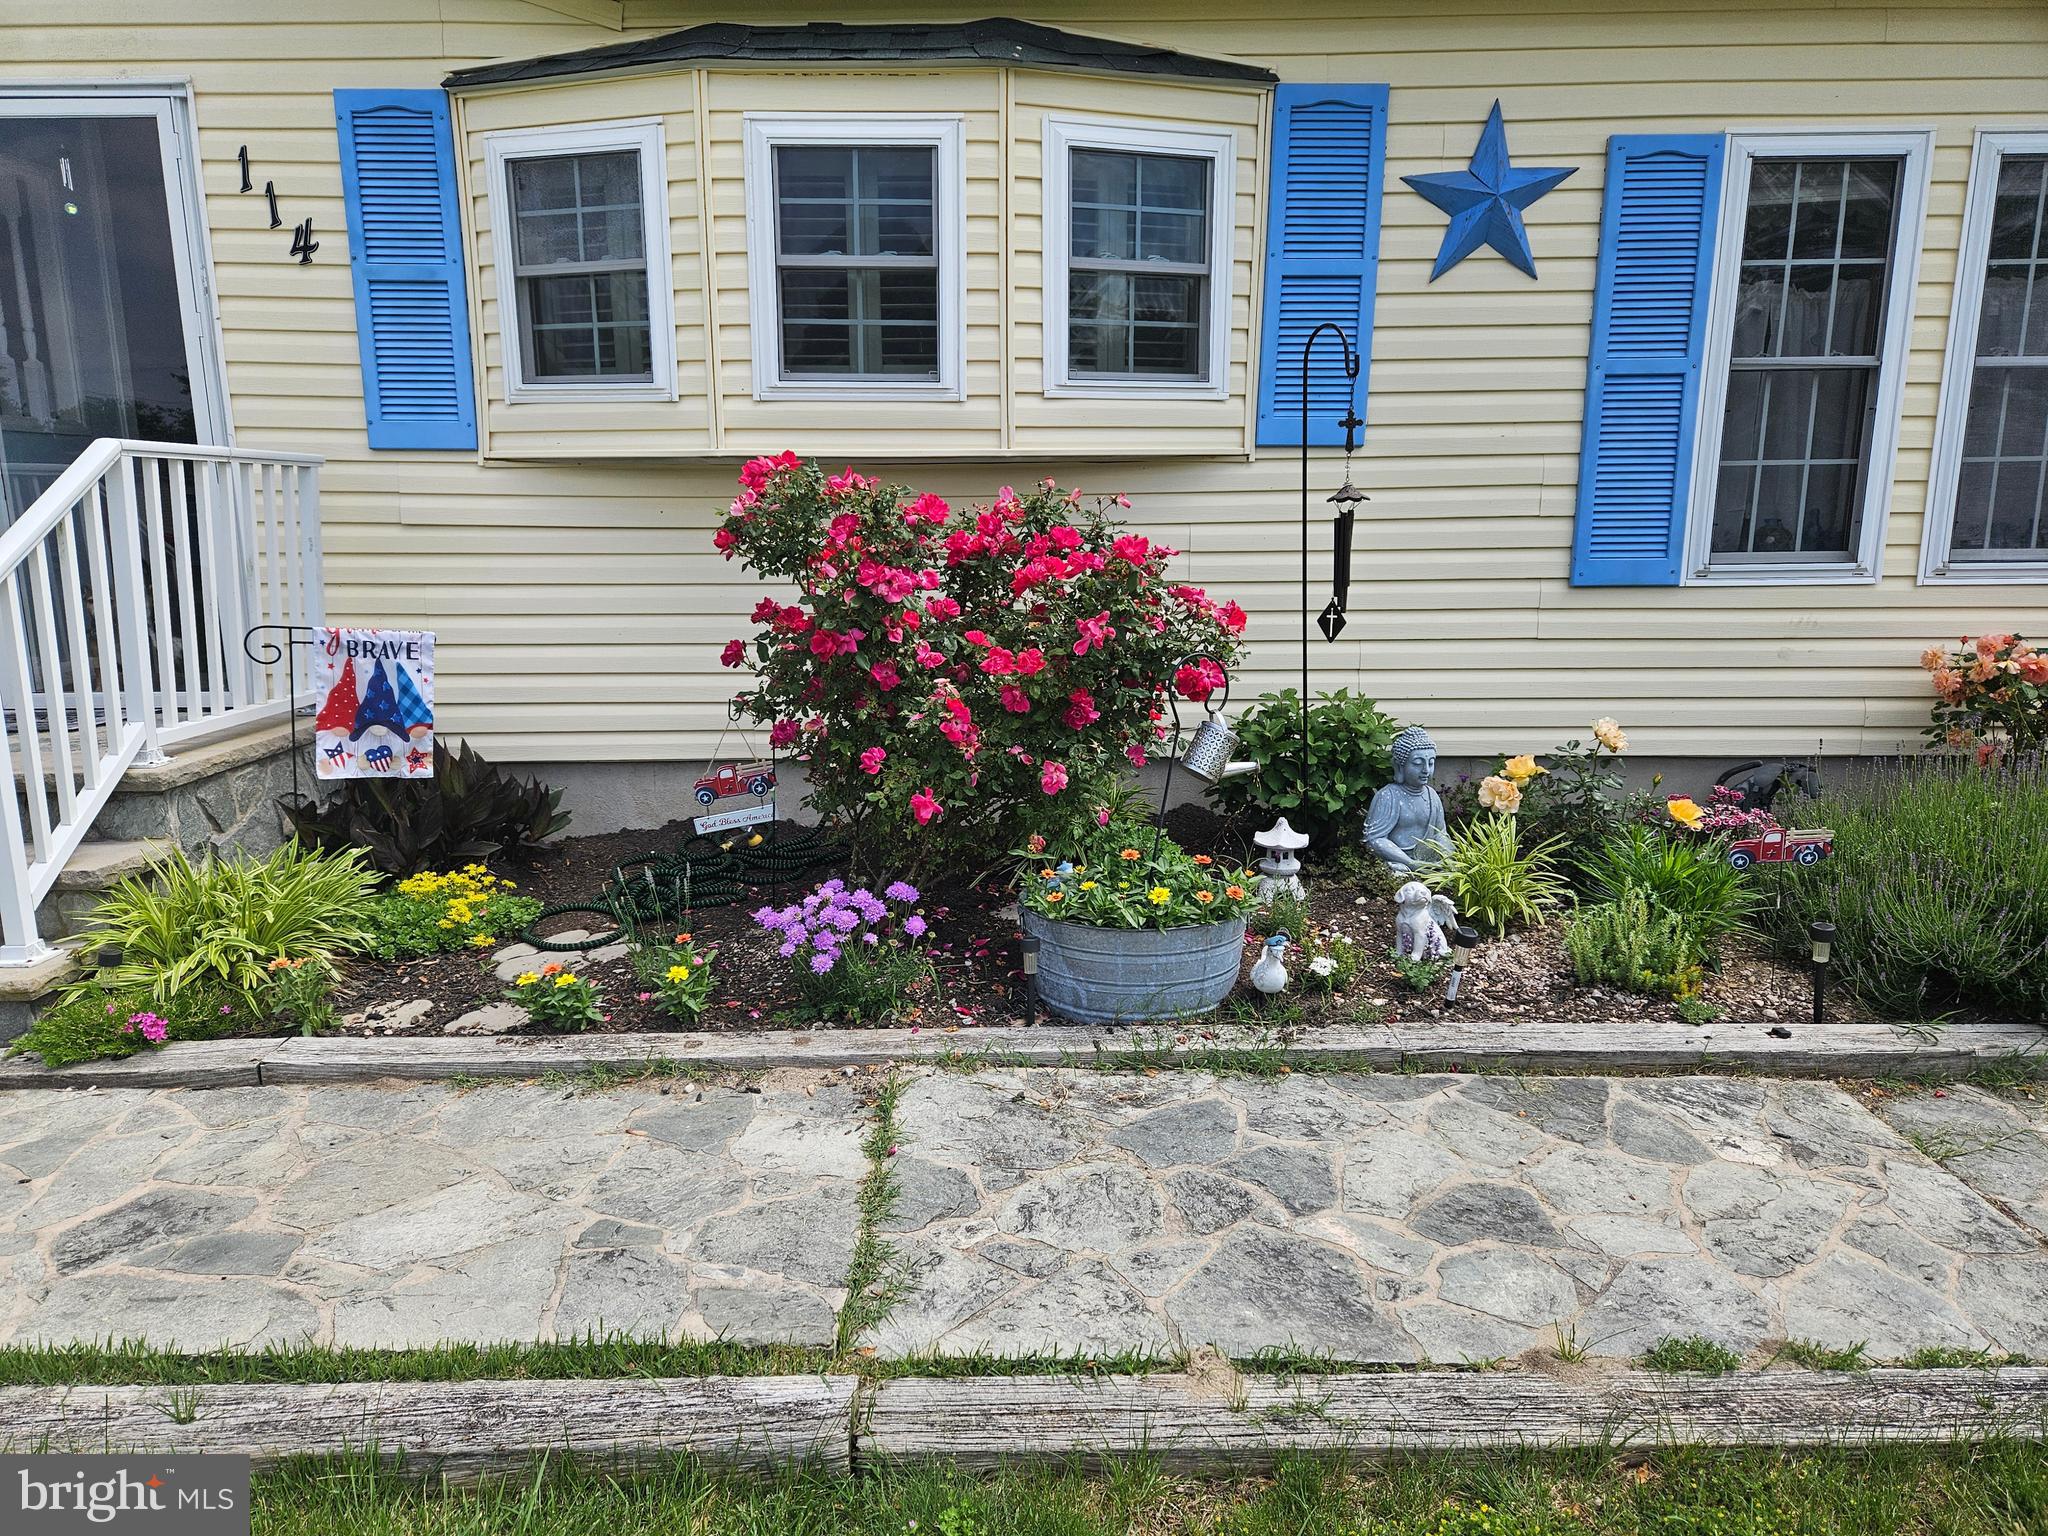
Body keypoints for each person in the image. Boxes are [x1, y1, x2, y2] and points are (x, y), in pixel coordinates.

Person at [1364, 725, 1449, 873]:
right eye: (1418, 763)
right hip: (1399, 862)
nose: (1426, 770)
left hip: (1429, 863)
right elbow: (1375, 840)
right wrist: (1412, 864)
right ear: (1399, 766)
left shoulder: (1432, 796)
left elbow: (1441, 835)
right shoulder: (1389, 796)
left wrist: (1448, 857)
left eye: (1430, 763)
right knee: (1399, 873)